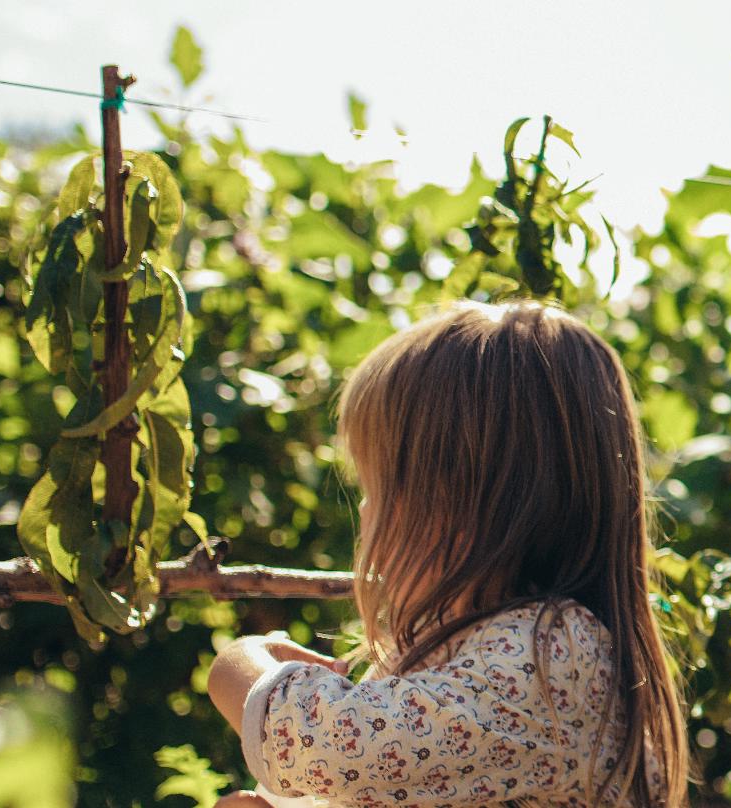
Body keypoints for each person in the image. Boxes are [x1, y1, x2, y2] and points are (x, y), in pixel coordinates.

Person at [202, 301, 689, 807]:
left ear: (454, 506)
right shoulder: (475, 656)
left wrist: (239, 666)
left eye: (377, 486)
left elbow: (325, 746)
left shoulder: (547, 654)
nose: (364, 510)